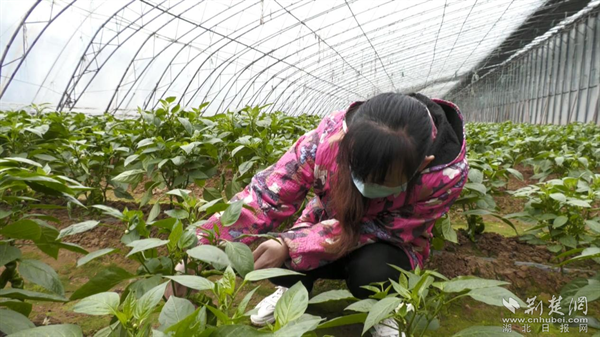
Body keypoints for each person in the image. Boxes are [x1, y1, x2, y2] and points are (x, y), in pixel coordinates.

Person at [196, 92, 468, 337]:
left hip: (387, 245)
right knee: (279, 264)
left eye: (382, 180)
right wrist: (198, 251)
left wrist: (293, 243)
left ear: (423, 164)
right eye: (356, 169)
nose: (365, 184)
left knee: (374, 274)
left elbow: (381, 230)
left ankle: (384, 308)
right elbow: (267, 195)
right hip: (322, 225)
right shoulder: (328, 139)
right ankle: (291, 294)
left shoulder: (444, 177)